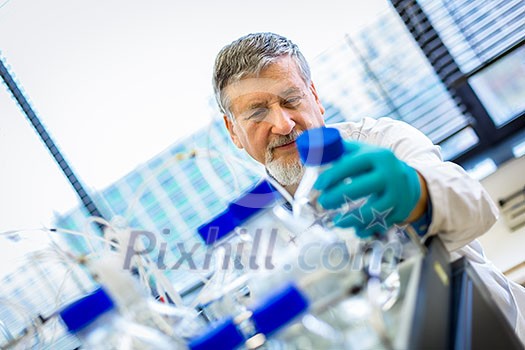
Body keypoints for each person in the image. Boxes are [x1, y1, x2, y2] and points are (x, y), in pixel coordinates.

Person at [212, 32, 525, 343]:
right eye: (257, 113)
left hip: (490, 328)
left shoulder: (380, 140)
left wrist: (418, 191)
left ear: (315, 97)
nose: (283, 125)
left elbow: (477, 207)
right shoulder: (249, 225)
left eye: (290, 100)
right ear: (233, 131)